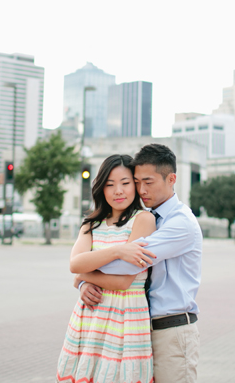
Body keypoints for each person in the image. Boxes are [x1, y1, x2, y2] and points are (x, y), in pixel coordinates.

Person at [75, 144, 203, 383]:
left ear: (171, 179)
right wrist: (83, 279)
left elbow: (126, 269)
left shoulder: (180, 223)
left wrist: (83, 274)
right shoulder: (149, 217)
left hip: (171, 330)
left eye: (149, 181)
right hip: (140, 329)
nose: (141, 189)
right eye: (137, 182)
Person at [56, 154, 157, 383]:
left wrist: (84, 276)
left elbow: (123, 282)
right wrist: (118, 252)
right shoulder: (91, 223)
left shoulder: (143, 220)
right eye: (110, 184)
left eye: (125, 183)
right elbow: (74, 264)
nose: (118, 191)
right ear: (101, 188)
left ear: (135, 185)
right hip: (89, 317)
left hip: (126, 318)